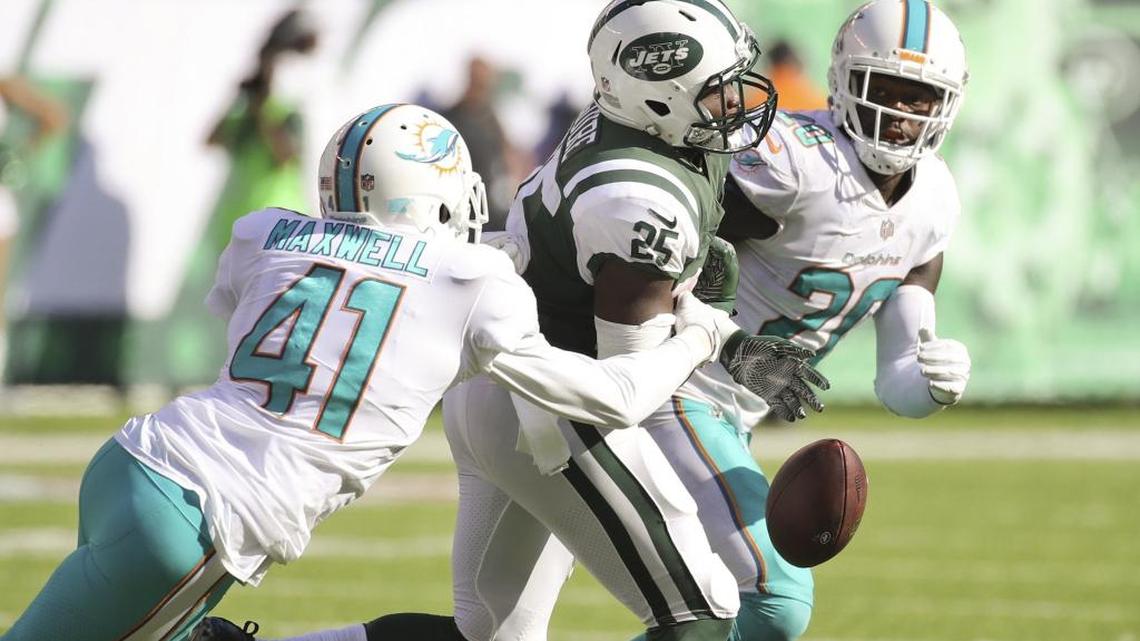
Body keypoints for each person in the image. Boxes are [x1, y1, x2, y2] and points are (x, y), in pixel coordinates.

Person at [201, 2, 829, 641]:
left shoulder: (636, 125)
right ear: (659, 99)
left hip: (496, 385)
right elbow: (624, 389)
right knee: (702, 616)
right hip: (554, 401)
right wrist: (716, 336)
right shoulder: (639, 199)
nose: (739, 102)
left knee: (490, 636)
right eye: (717, 91)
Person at [0, 103, 744, 641]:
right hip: (201, 520)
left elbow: (257, 323)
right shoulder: (468, 276)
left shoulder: (266, 233)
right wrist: (700, 333)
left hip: (137, 463)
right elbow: (615, 398)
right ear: (437, 193)